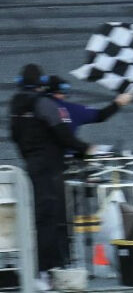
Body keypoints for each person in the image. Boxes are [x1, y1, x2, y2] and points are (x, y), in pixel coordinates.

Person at [9, 64, 101, 291]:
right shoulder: (45, 104)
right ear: (41, 84)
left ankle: (39, 268)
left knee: (37, 219)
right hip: (50, 168)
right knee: (50, 221)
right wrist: (85, 148)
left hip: (32, 165)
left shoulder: (16, 105)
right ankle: (46, 271)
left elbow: (15, 135)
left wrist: (30, 157)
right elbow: (63, 134)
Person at [43, 76, 133, 135]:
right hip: (63, 157)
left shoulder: (33, 108)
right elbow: (101, 115)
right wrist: (118, 103)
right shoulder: (72, 110)